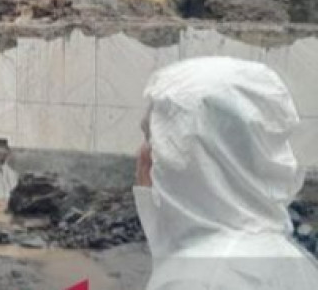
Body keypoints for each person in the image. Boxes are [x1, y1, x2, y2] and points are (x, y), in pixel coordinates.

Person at [135, 57, 318, 289]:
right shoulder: (296, 265)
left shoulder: (195, 279)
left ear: (189, 161)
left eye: (152, 138)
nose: (143, 153)